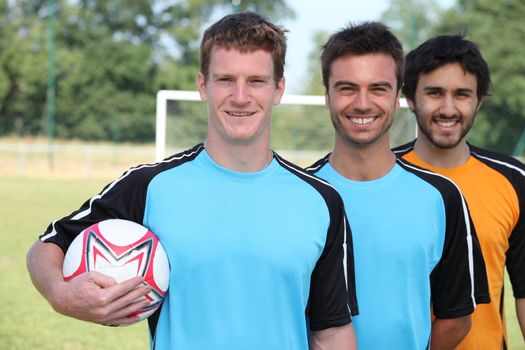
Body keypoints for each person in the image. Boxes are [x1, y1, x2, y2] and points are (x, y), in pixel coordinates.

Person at [26, 12, 358, 349]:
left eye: (256, 81)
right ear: (203, 85)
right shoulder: (149, 186)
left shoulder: (321, 200)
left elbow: (331, 332)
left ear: (278, 89)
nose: (240, 96)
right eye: (225, 79)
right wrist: (61, 294)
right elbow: (47, 245)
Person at [306, 22, 490, 349]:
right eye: (347, 88)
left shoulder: (441, 197)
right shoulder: (300, 195)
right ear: (327, 95)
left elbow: (457, 315)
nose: (363, 104)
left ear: (397, 96)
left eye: (378, 88)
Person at [394, 34, 525, 349]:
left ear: (478, 100)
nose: (448, 108)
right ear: (411, 98)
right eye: (435, 93)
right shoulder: (382, 175)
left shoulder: (514, 180)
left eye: (462, 94)